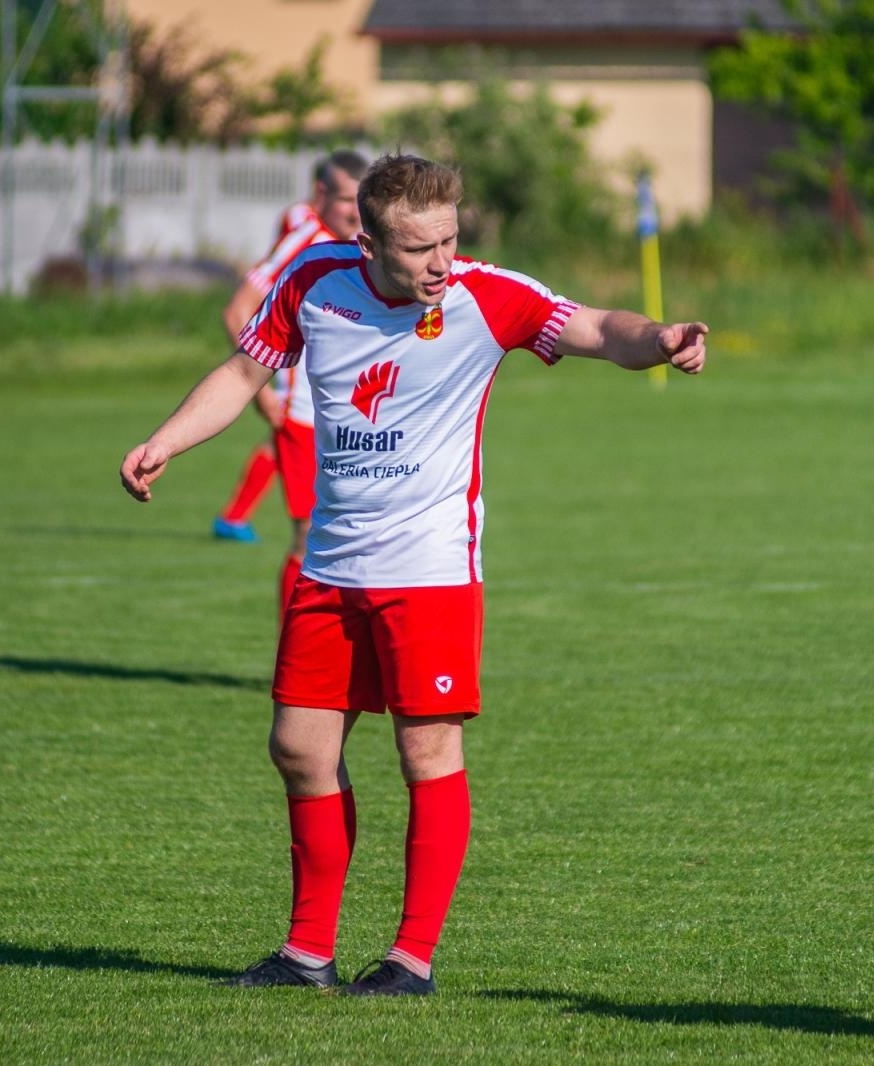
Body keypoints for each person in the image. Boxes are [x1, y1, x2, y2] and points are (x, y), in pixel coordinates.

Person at [121, 154, 706, 996]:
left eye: (450, 239)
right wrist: (166, 440)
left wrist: (660, 337)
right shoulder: (313, 281)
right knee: (298, 747)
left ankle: (410, 960)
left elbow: (595, 327)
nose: (441, 261)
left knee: (426, 747)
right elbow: (245, 372)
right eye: (418, 247)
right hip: (330, 562)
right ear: (367, 240)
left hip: (429, 568)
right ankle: (307, 954)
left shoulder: (486, 294)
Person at [210, 152, 368, 619]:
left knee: (359, 540)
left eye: (361, 201)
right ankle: (295, 658)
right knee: (309, 539)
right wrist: (260, 392)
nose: (355, 212)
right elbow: (238, 310)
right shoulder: (302, 241)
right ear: (320, 196)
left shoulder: (365, 244)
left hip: (357, 417)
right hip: (301, 415)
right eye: (344, 200)